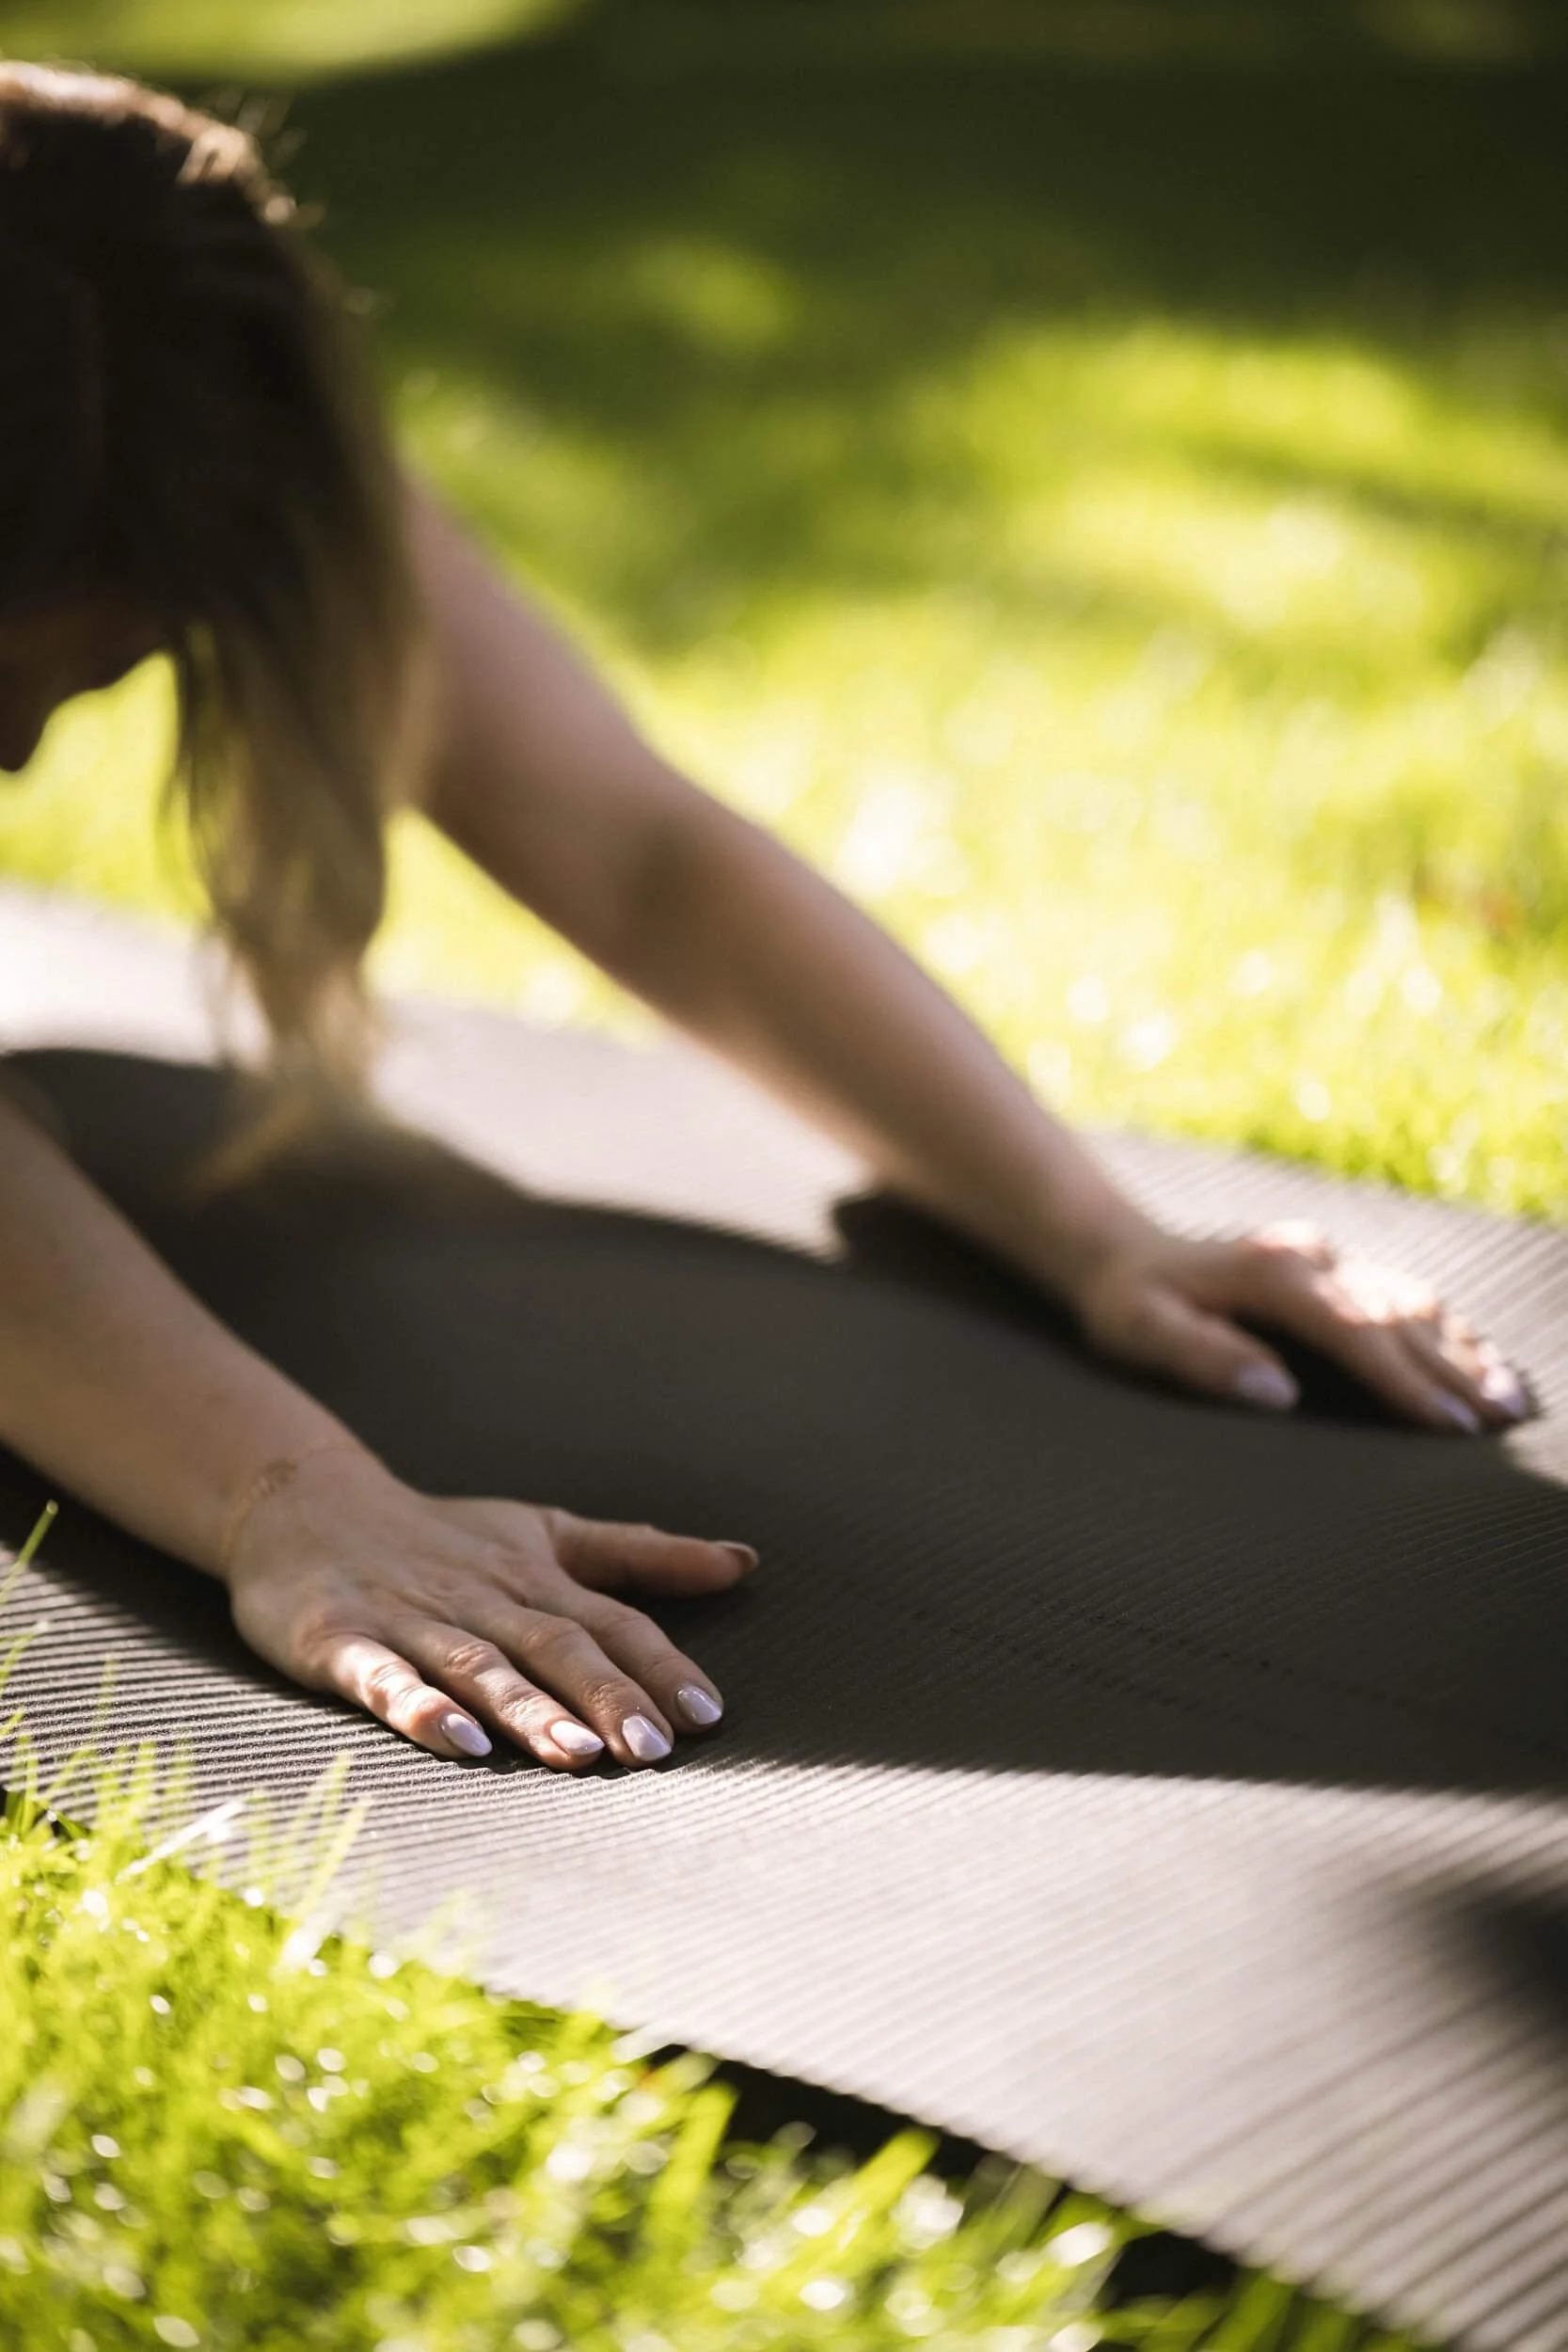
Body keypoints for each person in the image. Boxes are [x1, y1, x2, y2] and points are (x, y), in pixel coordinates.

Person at [0, 64, 1528, 1775]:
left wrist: (1092, 1230)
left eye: (94, 673)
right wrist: (291, 1495)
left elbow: (634, 848)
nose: (24, 748)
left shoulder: (153, 367)